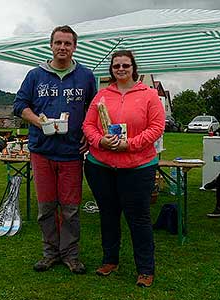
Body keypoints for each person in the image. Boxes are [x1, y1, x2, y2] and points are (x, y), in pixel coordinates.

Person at [13, 25, 97, 274]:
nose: (62, 47)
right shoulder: (35, 75)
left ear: (74, 47)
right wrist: (38, 121)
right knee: (46, 207)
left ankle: (71, 256)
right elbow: (20, 105)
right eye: (58, 43)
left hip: (71, 153)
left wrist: (89, 135)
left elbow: (94, 110)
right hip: (42, 150)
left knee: (70, 208)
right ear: (51, 45)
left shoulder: (86, 76)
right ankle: (50, 253)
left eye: (67, 44)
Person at [82, 50, 165, 287]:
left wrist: (131, 144)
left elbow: (157, 127)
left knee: (138, 218)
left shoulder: (149, 95)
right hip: (101, 165)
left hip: (138, 166)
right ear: (111, 69)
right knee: (108, 214)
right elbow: (88, 125)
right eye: (116, 65)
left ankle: (146, 269)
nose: (120, 69)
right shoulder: (101, 95)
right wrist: (99, 141)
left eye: (125, 65)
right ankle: (110, 260)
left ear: (133, 68)